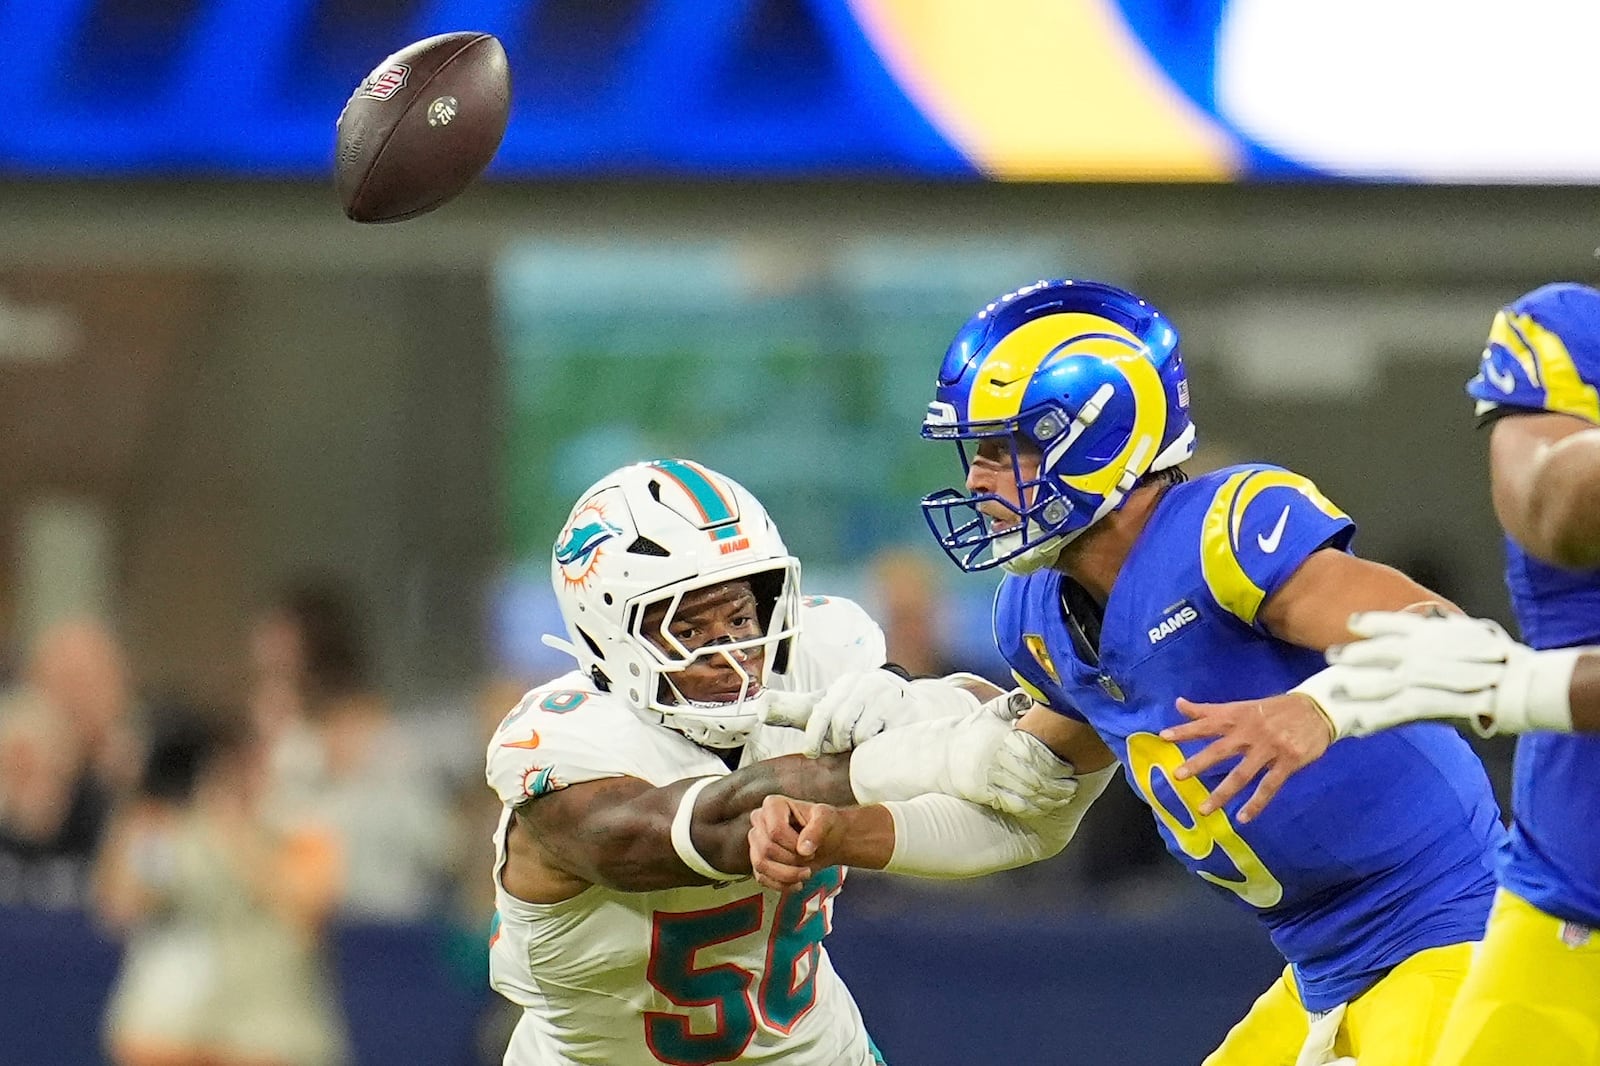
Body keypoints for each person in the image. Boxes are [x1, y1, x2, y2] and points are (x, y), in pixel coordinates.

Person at [893, 278, 1504, 1066]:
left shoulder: (1223, 535)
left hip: (1447, 935)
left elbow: (1453, 644)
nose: (978, 481)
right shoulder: (1040, 615)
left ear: (1101, 438)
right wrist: (841, 809)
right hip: (1323, 971)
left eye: (1006, 448)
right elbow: (1018, 786)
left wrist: (1320, 707)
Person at [486, 458, 1099, 1066]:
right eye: (688, 629)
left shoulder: (817, 655)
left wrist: (917, 701)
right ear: (610, 638)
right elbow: (712, 826)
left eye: (740, 615)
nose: (733, 651)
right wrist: (925, 752)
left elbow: (1016, 738)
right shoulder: (563, 751)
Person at [1161, 281, 1600, 1065]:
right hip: (1560, 897)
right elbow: (1547, 509)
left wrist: (1526, 687)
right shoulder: (1565, 333)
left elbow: (1557, 506)